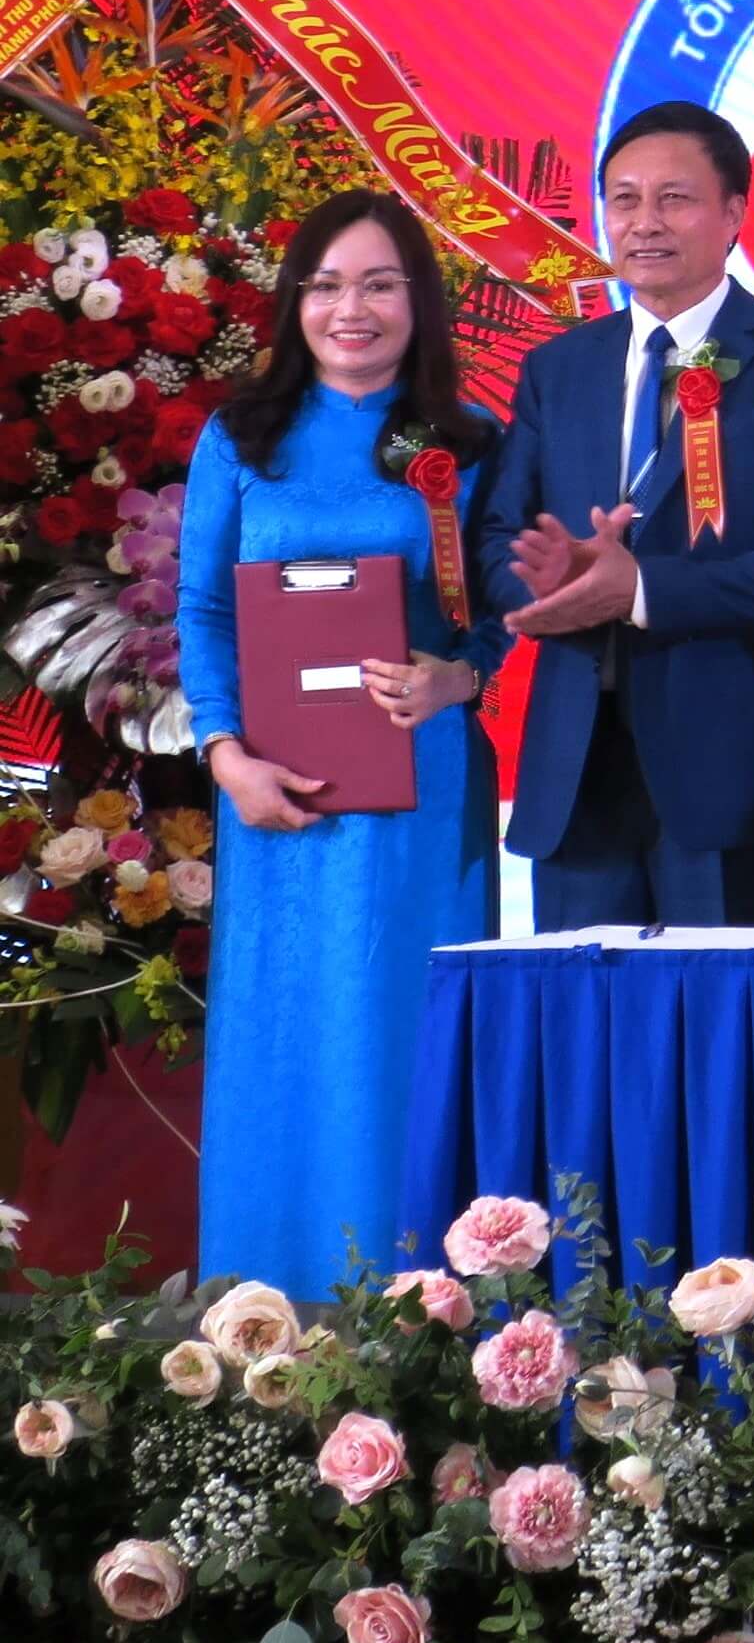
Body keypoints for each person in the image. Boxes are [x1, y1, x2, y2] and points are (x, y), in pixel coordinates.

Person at [175, 191, 509, 1290]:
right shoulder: (241, 437)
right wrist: (225, 754)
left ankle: (420, 1313)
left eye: (377, 284)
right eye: (324, 285)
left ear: (419, 300)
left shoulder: (470, 444)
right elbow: (204, 610)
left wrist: (459, 678)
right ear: (295, 301)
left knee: (400, 1036)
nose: (349, 309)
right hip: (274, 794)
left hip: (421, 788)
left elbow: (499, 617)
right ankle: (262, 1314)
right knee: (285, 1041)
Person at [476, 101, 754, 929]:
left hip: (736, 767)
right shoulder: (557, 368)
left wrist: (640, 589)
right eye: (624, 199)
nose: (644, 222)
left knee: (736, 1012)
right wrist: (545, 583)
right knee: (582, 1009)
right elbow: (498, 535)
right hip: (579, 770)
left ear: (733, 214)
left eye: (674, 199)